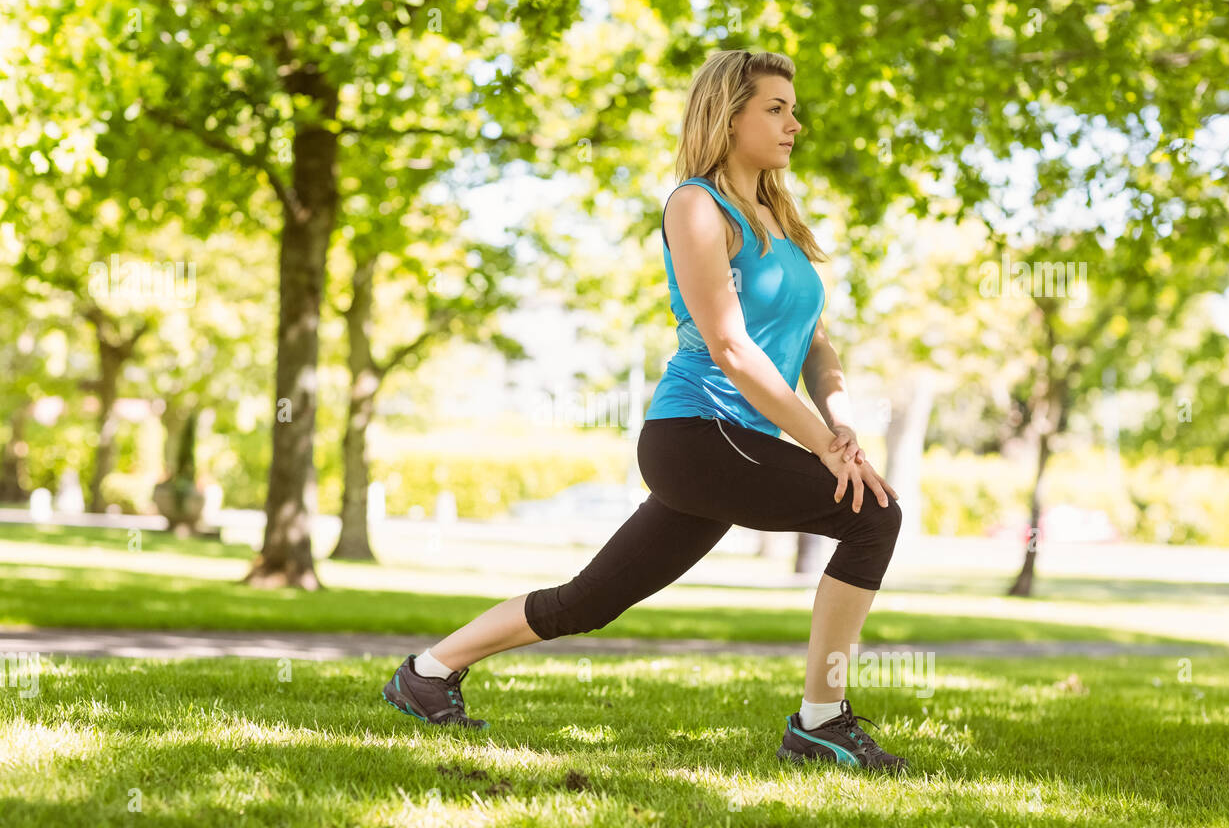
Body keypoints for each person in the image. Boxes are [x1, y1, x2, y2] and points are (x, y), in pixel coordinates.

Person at [382, 50, 907, 773]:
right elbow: (730, 346)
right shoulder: (696, 206)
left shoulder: (779, 220)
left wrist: (841, 423)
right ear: (729, 117)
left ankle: (427, 673)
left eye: (793, 110)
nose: (796, 125)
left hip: (734, 444)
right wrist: (822, 445)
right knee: (873, 515)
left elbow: (814, 343)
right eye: (776, 109)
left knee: (589, 602)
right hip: (699, 434)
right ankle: (821, 722)